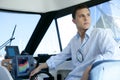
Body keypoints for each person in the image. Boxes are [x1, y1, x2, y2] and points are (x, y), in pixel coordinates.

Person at [30, 4, 120, 80]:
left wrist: (92, 66)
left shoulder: (100, 34)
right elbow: (60, 57)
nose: (86, 18)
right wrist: (40, 67)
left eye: (88, 15)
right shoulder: (74, 41)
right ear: (74, 21)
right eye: (81, 16)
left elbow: (115, 53)